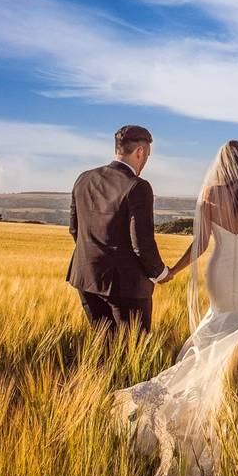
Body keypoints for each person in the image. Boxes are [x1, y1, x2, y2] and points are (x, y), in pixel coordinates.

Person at [112, 139, 238, 476]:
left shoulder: (210, 194)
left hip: (220, 273)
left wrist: (174, 271)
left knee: (216, 329)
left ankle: (197, 397)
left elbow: (200, 244)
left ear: (221, 165)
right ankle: (232, 396)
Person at [67, 125, 172, 335]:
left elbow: (74, 229)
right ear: (140, 152)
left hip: (86, 278)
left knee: (103, 348)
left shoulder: (84, 178)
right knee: (133, 349)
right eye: (147, 155)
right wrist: (160, 273)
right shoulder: (138, 186)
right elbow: (141, 244)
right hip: (126, 287)